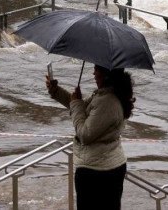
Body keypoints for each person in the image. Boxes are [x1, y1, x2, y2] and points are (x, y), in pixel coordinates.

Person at [46, 65, 135, 210]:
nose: (93, 73)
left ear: (106, 74)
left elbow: (84, 134)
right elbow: (80, 108)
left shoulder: (107, 102)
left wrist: (76, 102)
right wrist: (56, 91)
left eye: (97, 69)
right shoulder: (105, 95)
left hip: (97, 172)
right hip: (106, 165)